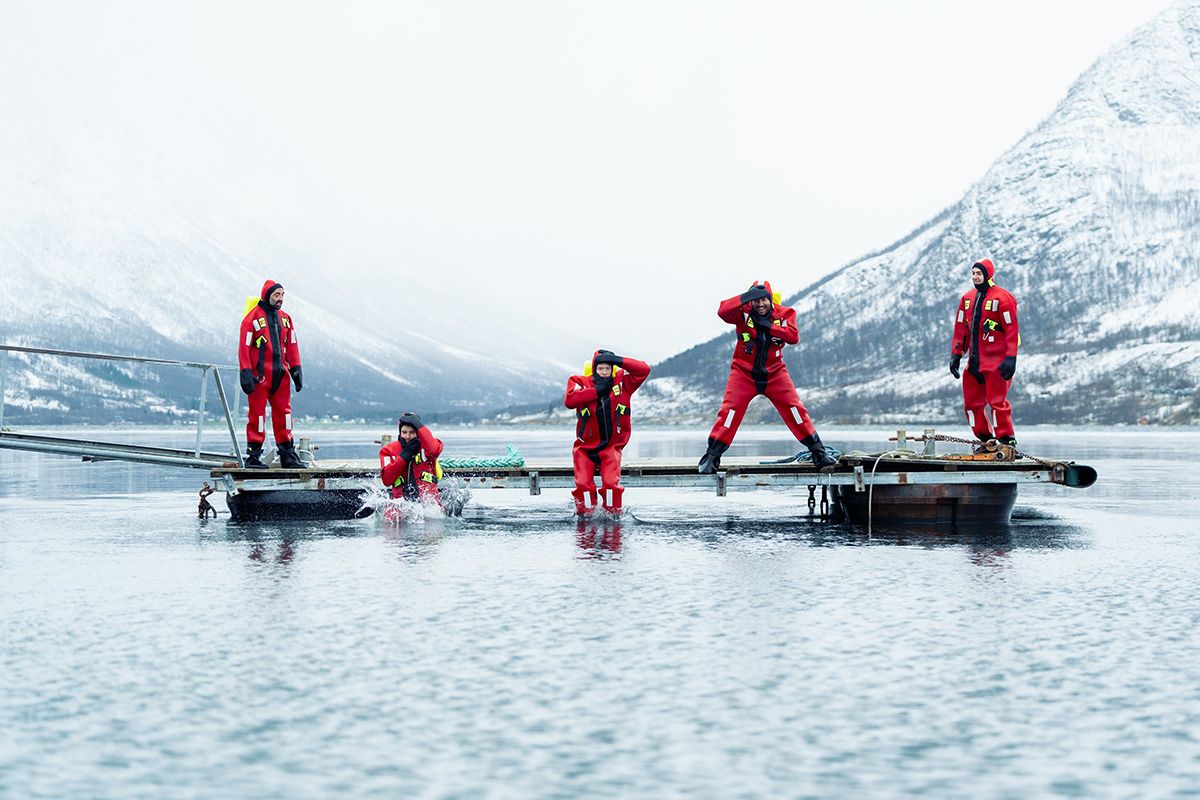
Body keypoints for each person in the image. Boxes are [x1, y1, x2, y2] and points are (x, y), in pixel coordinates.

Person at [697, 281, 837, 473]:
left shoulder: (785, 314)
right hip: (743, 373)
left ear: (771, 300)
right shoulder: (742, 313)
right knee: (729, 412)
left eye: (764, 299)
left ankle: (818, 452)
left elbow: (793, 336)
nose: (760, 304)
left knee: (796, 411)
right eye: (756, 300)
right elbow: (722, 311)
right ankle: (712, 456)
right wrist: (746, 297)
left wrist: (769, 326)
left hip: (775, 373)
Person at [564, 350, 652, 515]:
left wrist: (618, 360)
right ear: (594, 369)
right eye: (600, 368)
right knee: (583, 485)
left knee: (611, 485)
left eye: (607, 368)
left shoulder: (623, 384)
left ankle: (612, 515)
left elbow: (644, 369)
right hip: (584, 449)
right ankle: (587, 515)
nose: (604, 372)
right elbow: (569, 400)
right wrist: (596, 391)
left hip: (611, 448)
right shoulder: (581, 382)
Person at [949, 258, 1020, 446]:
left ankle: (1006, 438)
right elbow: (961, 329)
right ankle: (985, 437)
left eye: (979, 273)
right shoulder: (967, 299)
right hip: (974, 363)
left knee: (997, 403)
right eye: (973, 273)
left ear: (988, 274)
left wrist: (1011, 358)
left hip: (996, 362)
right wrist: (956, 355)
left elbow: (1012, 329)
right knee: (972, 404)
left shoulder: (1003, 298)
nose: (975, 277)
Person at [238, 279, 304, 469]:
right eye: (277, 295)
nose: (280, 299)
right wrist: (245, 371)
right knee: (257, 417)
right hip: (260, 377)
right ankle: (253, 457)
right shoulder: (252, 319)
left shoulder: (285, 319)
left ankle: (287, 455)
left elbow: (291, 345)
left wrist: (296, 369)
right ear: (267, 295)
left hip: (281, 377)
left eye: (282, 295)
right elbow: (244, 346)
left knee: (285, 415)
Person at [379, 412, 444, 504]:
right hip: (400, 503)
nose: (408, 436)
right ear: (400, 432)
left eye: (412, 432)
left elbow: (434, 451)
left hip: (428, 503)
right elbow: (386, 480)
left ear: (418, 432)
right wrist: (404, 456)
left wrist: (419, 426)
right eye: (404, 432)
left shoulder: (426, 447)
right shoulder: (388, 450)